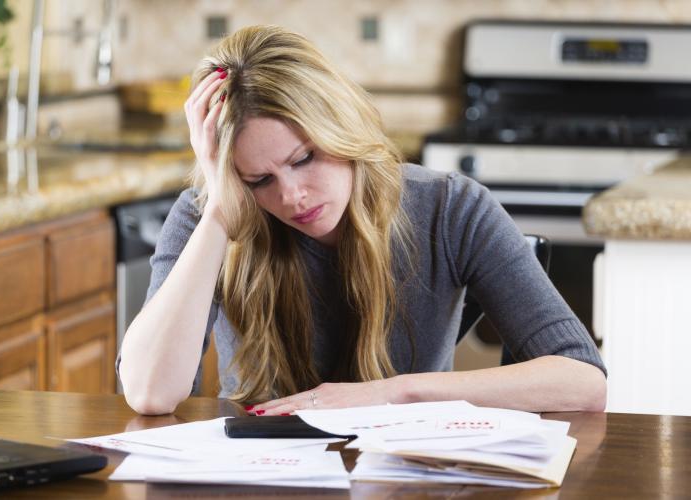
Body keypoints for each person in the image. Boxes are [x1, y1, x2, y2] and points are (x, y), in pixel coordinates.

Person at [118, 25, 607, 416]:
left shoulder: (450, 208)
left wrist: (396, 393)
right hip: (262, 475)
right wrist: (223, 210)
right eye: (258, 180)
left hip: (408, 473)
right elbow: (149, 394)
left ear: (341, 126)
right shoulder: (209, 215)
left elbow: (582, 381)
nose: (291, 196)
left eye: (305, 157)